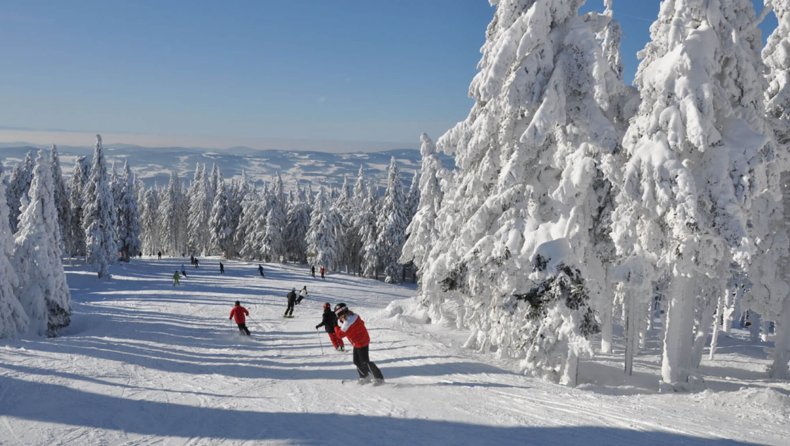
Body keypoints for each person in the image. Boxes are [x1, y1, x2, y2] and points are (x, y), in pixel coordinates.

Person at [334, 303, 384, 385]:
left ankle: (379, 378)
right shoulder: (353, 316)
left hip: (361, 342)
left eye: (338, 315)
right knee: (356, 361)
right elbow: (361, 323)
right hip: (358, 342)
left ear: (342, 313)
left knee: (365, 362)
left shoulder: (348, 322)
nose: (338, 317)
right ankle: (365, 377)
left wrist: (335, 326)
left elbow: (340, 335)